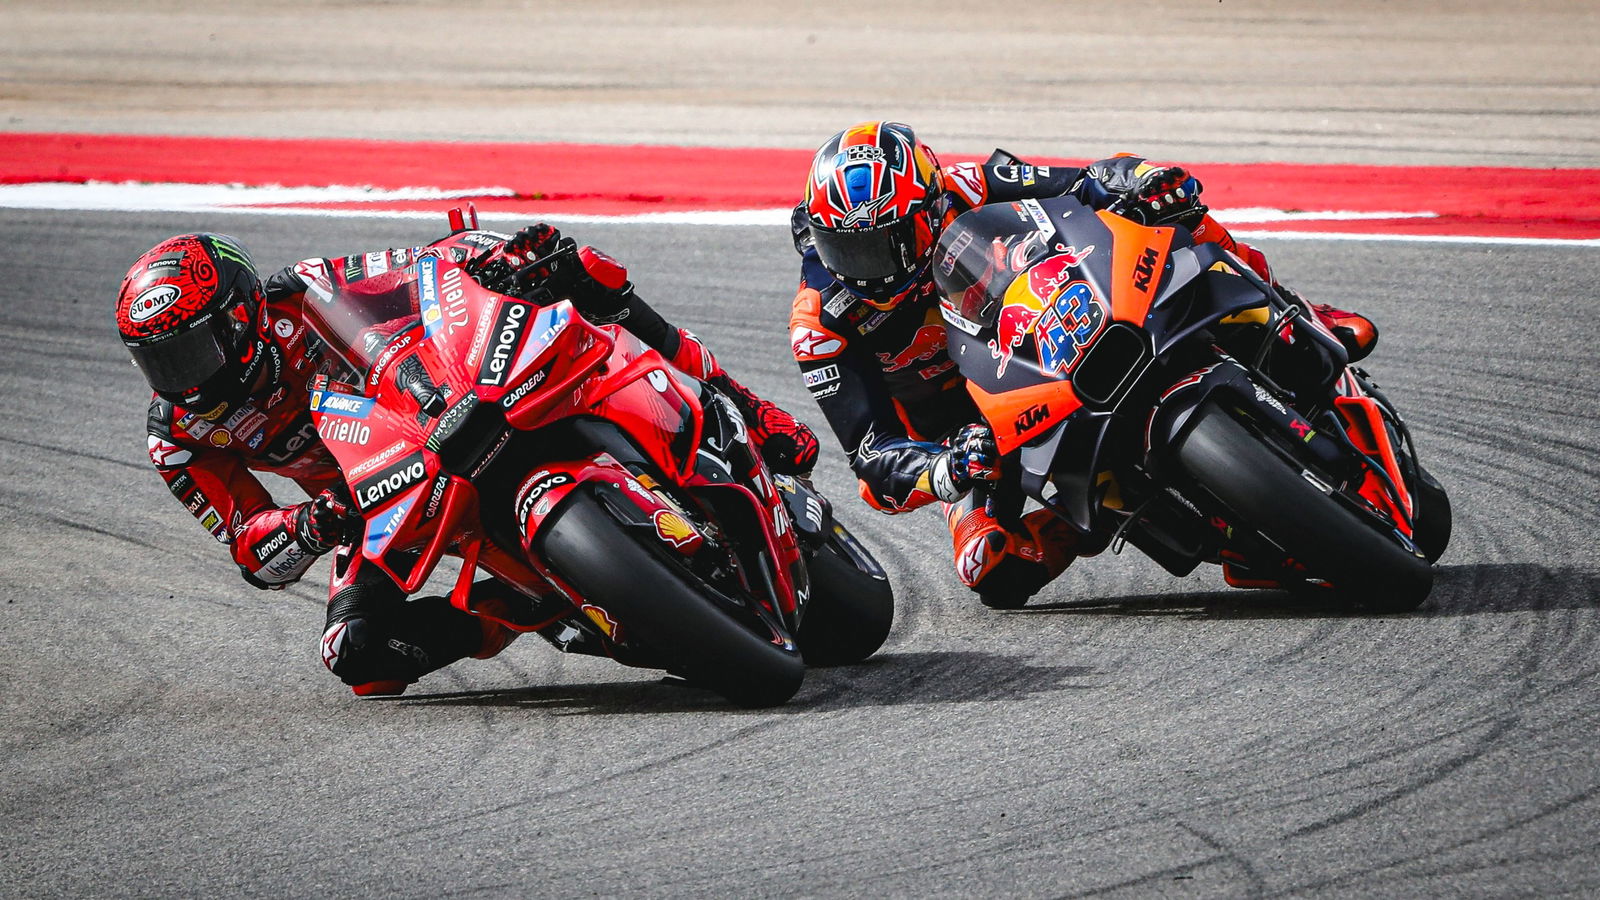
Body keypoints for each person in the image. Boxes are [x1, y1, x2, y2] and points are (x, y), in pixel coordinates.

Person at [116, 223, 818, 696]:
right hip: (368, 496)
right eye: (160, 362)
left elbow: (420, 271)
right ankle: (530, 607)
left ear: (240, 318)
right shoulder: (178, 437)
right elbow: (248, 546)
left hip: (437, 396)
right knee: (356, 657)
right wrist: (315, 522)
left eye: (190, 351)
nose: (182, 377)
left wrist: (489, 258)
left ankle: (745, 407)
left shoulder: (302, 292)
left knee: (580, 273)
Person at [788, 120, 1376, 608]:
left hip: (1054, 325)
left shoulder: (964, 186)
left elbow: (1090, 181)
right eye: (844, 247)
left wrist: (1141, 178)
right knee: (990, 571)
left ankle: (1289, 308)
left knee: (1167, 208)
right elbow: (870, 454)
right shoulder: (821, 322)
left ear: (928, 208)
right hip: (974, 431)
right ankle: (1096, 514)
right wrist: (944, 469)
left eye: (879, 245)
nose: (864, 268)